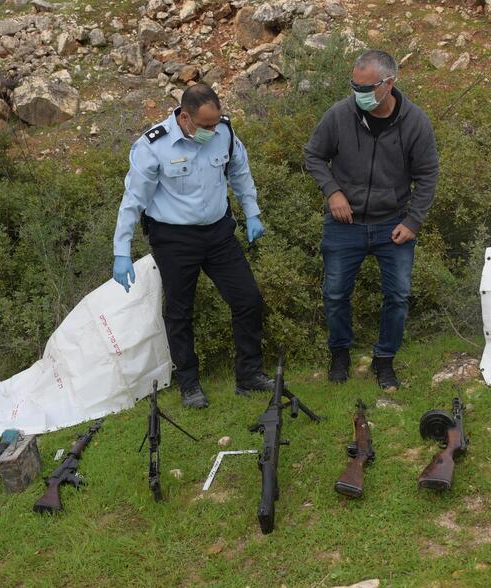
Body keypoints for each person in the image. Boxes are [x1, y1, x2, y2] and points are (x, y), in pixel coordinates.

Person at [112, 84, 273, 408]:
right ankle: (190, 384)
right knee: (180, 312)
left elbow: (239, 172)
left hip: (218, 234)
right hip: (174, 239)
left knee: (248, 300)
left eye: (216, 123)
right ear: (185, 117)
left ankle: (249, 375)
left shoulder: (223, 131)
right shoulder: (154, 145)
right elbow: (133, 199)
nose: (213, 131)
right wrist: (121, 250)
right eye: (206, 126)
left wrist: (252, 212)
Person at [304, 49, 440, 391]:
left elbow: (427, 175)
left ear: (389, 83)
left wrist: (413, 222)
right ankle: (339, 354)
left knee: (398, 295)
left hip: (392, 224)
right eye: (354, 86)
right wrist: (333, 192)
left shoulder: (415, 122)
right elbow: (314, 155)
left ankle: (384, 360)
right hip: (344, 226)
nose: (358, 94)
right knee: (335, 294)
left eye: (366, 88)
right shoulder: (339, 115)